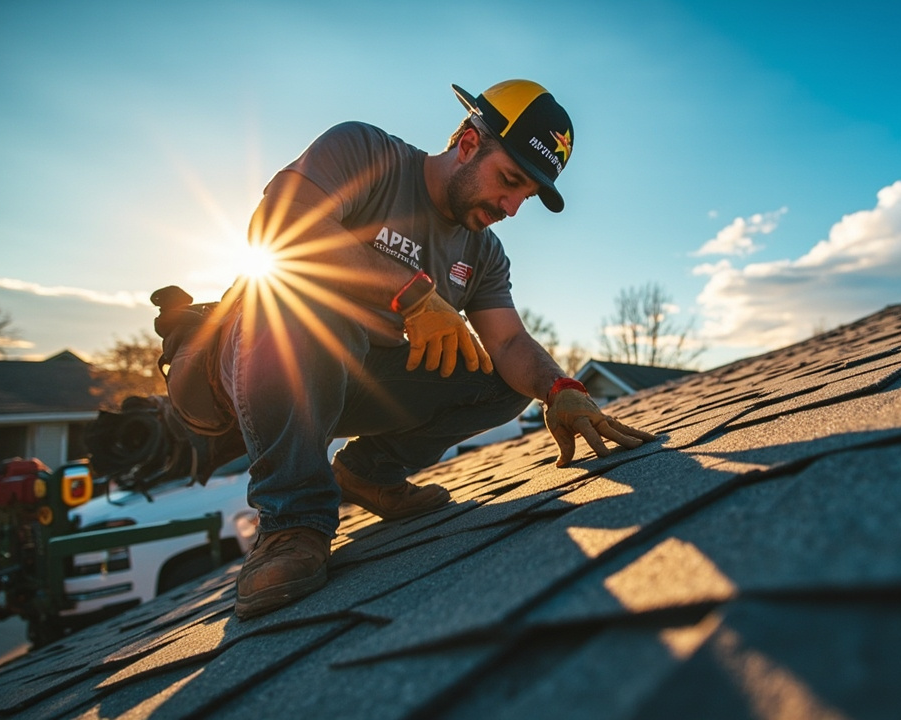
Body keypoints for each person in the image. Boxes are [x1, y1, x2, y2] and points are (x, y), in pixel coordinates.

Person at [223, 80, 656, 619]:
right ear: (469, 143)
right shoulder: (365, 152)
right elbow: (279, 231)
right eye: (511, 180)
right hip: (262, 360)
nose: (512, 207)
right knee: (291, 291)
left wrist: (560, 387)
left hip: (358, 379)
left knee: (501, 379)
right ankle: (292, 524)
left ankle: (367, 473)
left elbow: (510, 341)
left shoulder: (483, 252)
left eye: (526, 196)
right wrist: (412, 294)